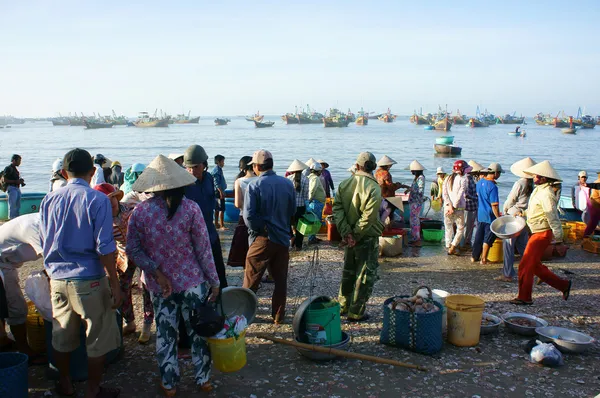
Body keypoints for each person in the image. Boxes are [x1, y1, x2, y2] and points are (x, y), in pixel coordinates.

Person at [126, 154, 220, 395]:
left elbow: (132, 249)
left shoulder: (141, 212)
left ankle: (169, 384)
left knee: (166, 334)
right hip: (193, 284)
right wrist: (215, 281)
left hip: (160, 286)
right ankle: (204, 379)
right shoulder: (191, 209)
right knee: (199, 332)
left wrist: (155, 271)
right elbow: (203, 249)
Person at [40, 148, 122, 398]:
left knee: (62, 335)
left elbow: (45, 240)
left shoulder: (48, 200)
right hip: (89, 280)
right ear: (93, 171)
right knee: (97, 337)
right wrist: (115, 284)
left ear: (64, 173)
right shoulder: (98, 200)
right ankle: (93, 389)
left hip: (58, 278)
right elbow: (105, 248)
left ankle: (65, 384)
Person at [243, 149, 295, 324]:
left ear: (257, 166)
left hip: (263, 238)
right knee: (280, 280)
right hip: (282, 238)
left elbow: (249, 216)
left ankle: (243, 315)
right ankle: (278, 316)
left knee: (251, 277)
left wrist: (260, 229)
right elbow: (292, 210)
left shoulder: (254, 185)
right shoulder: (287, 184)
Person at [510, 160, 571, 305]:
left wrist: (559, 238)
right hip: (537, 231)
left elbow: (552, 216)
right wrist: (523, 213)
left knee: (525, 265)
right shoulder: (539, 190)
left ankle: (524, 297)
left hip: (542, 234)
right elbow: (536, 211)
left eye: (536, 176)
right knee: (534, 265)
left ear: (543, 178)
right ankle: (563, 285)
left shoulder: (547, 194)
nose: (534, 178)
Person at [334, 152, 383, 322]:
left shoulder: (344, 184)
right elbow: (368, 217)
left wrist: (346, 232)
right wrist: (354, 233)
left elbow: (337, 210)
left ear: (357, 166)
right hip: (366, 237)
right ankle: (356, 312)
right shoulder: (374, 187)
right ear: (373, 168)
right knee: (364, 275)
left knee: (348, 271)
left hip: (349, 236)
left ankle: (343, 305)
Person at [93, 183, 146, 339]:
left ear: (117, 197)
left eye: (112, 199)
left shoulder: (130, 210)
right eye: (105, 201)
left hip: (142, 251)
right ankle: (130, 323)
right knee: (123, 289)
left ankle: (148, 323)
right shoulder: (102, 219)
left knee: (148, 288)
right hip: (122, 255)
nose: (110, 203)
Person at [0, 213, 47, 364]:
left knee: (8, 305)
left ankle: (3, 340)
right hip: (2, 263)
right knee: (16, 307)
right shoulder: (34, 227)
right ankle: (24, 350)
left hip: (9, 263)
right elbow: (51, 260)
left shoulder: (49, 220)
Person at [184, 145, 227, 289]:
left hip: (210, 233)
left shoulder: (209, 179)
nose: (192, 171)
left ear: (204, 165)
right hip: (191, 238)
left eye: (196, 167)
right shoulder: (183, 184)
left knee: (219, 272)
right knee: (196, 277)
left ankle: (223, 302)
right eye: (189, 167)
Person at [499, 157, 536, 282]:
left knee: (509, 246)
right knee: (523, 247)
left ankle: (508, 274)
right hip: (525, 217)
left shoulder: (520, 183)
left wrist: (504, 210)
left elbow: (510, 200)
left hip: (514, 217)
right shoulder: (532, 184)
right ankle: (534, 270)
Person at [226, 156, 257, 267]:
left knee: (243, 245)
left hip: (243, 216)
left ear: (242, 168)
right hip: (258, 217)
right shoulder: (259, 180)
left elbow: (237, 204)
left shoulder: (239, 181)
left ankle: (247, 270)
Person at [472, 163, 502, 264]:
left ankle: (474, 257)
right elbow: (494, 205)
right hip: (490, 215)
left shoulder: (480, 182)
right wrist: (499, 218)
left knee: (478, 236)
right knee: (488, 238)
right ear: (496, 173)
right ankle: (483, 258)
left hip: (480, 213)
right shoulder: (493, 187)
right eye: (499, 173)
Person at [442, 160, 469, 255]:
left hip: (447, 207)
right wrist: (454, 206)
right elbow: (460, 195)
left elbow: (444, 194)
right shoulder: (463, 179)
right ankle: (453, 246)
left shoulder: (447, 178)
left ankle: (448, 246)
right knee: (460, 228)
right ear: (462, 169)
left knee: (448, 227)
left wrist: (449, 205)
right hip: (458, 208)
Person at [287, 159, 310, 251]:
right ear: (302, 169)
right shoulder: (306, 179)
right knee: (300, 227)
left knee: (288, 224)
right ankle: (298, 245)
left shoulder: (288, 179)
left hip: (290, 206)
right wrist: (307, 207)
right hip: (301, 207)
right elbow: (305, 195)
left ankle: (291, 237)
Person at [405, 160, 426, 247]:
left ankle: (416, 239)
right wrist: (409, 188)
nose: (411, 172)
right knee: (413, 220)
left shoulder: (421, 178)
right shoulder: (417, 178)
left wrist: (410, 189)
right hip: (414, 201)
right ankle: (415, 238)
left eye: (412, 170)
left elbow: (420, 191)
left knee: (414, 220)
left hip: (416, 202)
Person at [464, 160, 483, 249]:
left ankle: (467, 241)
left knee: (470, 225)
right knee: (467, 226)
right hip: (469, 206)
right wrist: (477, 198)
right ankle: (465, 242)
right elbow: (466, 194)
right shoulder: (468, 179)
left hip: (471, 206)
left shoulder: (470, 178)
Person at [306, 162, 327, 244]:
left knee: (313, 220)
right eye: (320, 171)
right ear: (317, 171)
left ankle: (312, 237)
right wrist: (309, 200)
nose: (321, 173)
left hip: (315, 202)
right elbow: (312, 190)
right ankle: (311, 239)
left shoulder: (309, 177)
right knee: (315, 221)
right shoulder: (315, 178)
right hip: (316, 203)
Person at [3, 154, 25, 219]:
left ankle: (16, 218)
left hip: (16, 188)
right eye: (18, 160)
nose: (20, 162)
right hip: (12, 188)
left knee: (17, 205)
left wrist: (20, 181)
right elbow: (5, 180)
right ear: (13, 160)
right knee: (12, 205)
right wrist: (15, 181)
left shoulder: (15, 169)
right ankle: (12, 218)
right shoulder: (8, 168)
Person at [211, 154, 227, 230]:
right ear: (219, 162)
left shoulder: (218, 169)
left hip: (218, 191)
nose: (223, 163)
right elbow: (216, 182)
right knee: (221, 209)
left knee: (217, 208)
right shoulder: (217, 170)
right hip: (218, 192)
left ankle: (217, 224)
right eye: (223, 161)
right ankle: (221, 225)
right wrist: (221, 192)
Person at [583, 170, 600, 237]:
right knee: (593, 222)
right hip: (595, 204)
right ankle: (586, 237)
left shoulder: (596, 182)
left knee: (593, 222)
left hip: (593, 203)